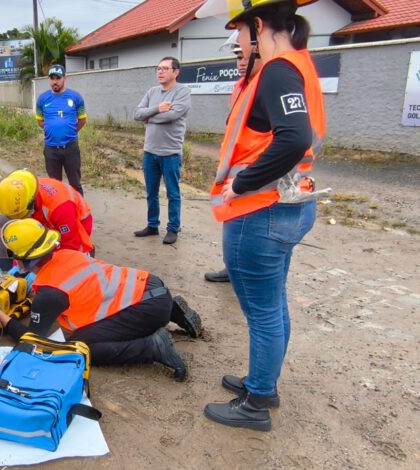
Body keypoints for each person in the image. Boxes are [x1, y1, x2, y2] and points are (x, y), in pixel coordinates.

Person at [196, 0, 326, 431]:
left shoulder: (277, 69)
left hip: (261, 211)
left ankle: (256, 402)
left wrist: (245, 181)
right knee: (272, 305)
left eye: (239, 32)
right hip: (289, 206)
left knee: (263, 312)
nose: (236, 41)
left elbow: (293, 138)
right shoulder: (297, 64)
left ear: (257, 26)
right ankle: (261, 383)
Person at [0, 218, 204, 381]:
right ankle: (172, 309)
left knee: (80, 346)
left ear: (23, 260)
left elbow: (33, 340)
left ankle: (151, 347)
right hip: (153, 287)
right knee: (94, 326)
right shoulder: (66, 255)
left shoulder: (49, 294)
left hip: (147, 309)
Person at [204, 32, 264, 284]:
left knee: (250, 238)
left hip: (255, 181)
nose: (240, 62)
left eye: (244, 56)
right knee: (234, 230)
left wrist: (244, 180)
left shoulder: (267, 84)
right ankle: (232, 269)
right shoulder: (241, 87)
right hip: (237, 178)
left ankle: (242, 273)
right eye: (237, 57)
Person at [132, 57, 191, 245]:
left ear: (176, 72)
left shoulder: (182, 92)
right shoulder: (152, 92)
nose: (160, 72)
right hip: (150, 151)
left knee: (173, 193)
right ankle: (152, 225)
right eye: (158, 68)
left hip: (171, 153)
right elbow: (137, 114)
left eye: (165, 68)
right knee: (151, 191)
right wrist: (157, 108)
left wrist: (149, 117)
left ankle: (173, 228)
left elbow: (172, 115)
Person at [0, 169, 94, 255]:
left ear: (31, 204)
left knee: (68, 261)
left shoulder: (60, 207)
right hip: (43, 216)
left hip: (78, 223)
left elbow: (70, 245)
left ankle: (86, 255)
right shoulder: (20, 193)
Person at [35, 64, 87, 195]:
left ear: (65, 78)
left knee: (75, 184)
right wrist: (51, 129)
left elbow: (82, 120)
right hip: (51, 150)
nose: (55, 82)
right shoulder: (42, 99)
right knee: (54, 186)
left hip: (71, 148)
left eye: (58, 78)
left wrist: (70, 132)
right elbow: (40, 121)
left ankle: (80, 213)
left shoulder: (76, 98)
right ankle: (57, 213)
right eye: (52, 78)